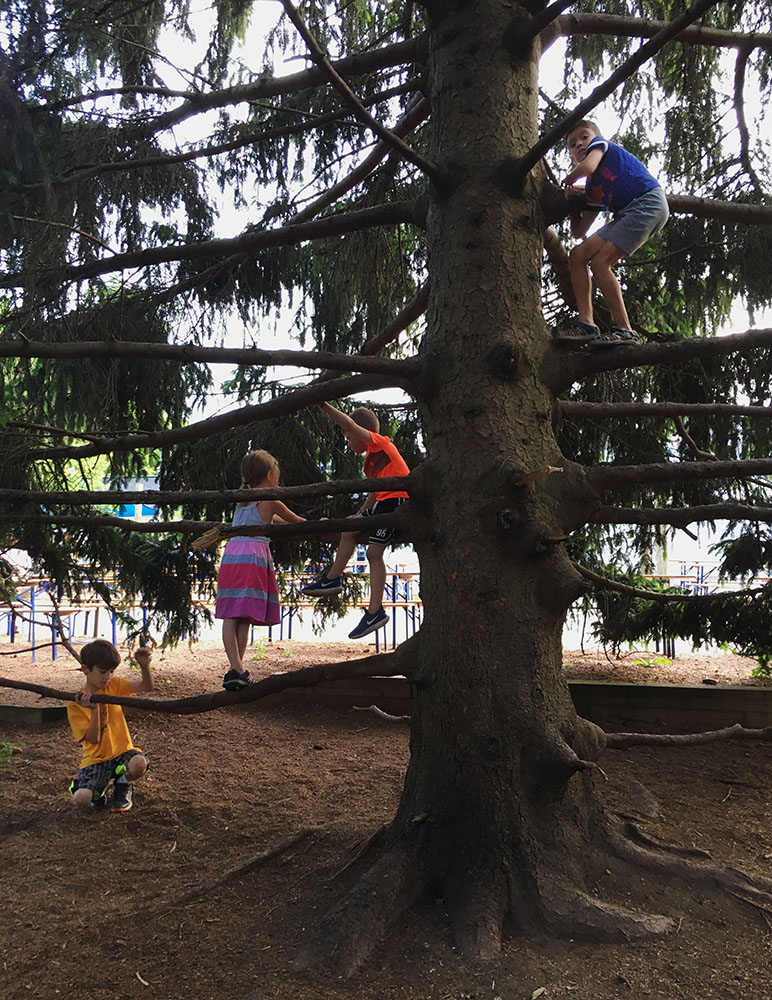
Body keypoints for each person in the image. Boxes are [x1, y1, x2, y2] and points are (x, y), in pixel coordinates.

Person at [554, 119, 669, 347]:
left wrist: (567, 181)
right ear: (571, 157)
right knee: (577, 255)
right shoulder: (592, 189)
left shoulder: (601, 147)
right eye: (572, 144)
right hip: (627, 214)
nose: (579, 144)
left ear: (596, 138)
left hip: (648, 203)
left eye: (584, 137)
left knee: (599, 263)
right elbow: (579, 231)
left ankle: (625, 329)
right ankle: (586, 322)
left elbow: (587, 168)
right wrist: (570, 205)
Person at [301, 402, 409, 639]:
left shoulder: (380, 443)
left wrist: (323, 402)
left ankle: (375, 612)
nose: (348, 443)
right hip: (383, 504)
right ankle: (332, 579)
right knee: (349, 529)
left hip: (396, 503)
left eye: (349, 438)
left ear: (361, 433)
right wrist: (360, 514)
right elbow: (374, 492)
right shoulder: (370, 460)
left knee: (373, 554)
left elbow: (348, 423)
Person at [215, 449, 306, 691]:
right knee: (241, 616)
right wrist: (325, 526)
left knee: (234, 615)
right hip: (253, 557)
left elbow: (268, 521)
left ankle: (236, 669)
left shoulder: (241, 498)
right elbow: (296, 522)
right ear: (269, 475)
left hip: (233, 555)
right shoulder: (271, 500)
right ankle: (237, 669)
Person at [68, 640, 153, 813]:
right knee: (80, 799)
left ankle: (123, 783)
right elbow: (93, 739)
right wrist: (94, 710)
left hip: (122, 752)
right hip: (96, 759)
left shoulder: (113, 686)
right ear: (85, 669)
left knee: (139, 763)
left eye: (111, 671)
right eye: (102, 671)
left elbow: (146, 687)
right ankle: (96, 791)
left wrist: (144, 666)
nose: (107, 676)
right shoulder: (75, 704)